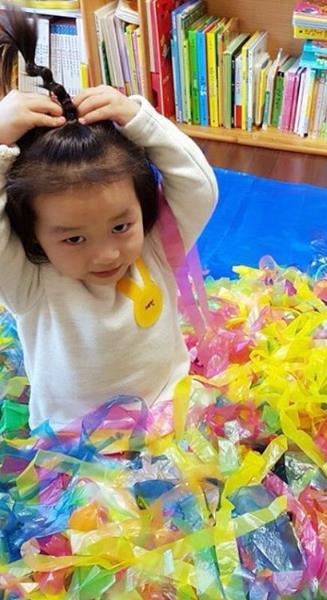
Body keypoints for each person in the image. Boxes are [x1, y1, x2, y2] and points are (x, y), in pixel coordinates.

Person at [0, 7, 218, 430]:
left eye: (121, 226)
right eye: (73, 239)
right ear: (33, 235)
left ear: (144, 208)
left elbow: (200, 187)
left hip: (170, 423)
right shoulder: (28, 281)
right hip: (74, 448)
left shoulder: (155, 244)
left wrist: (140, 120)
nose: (107, 254)